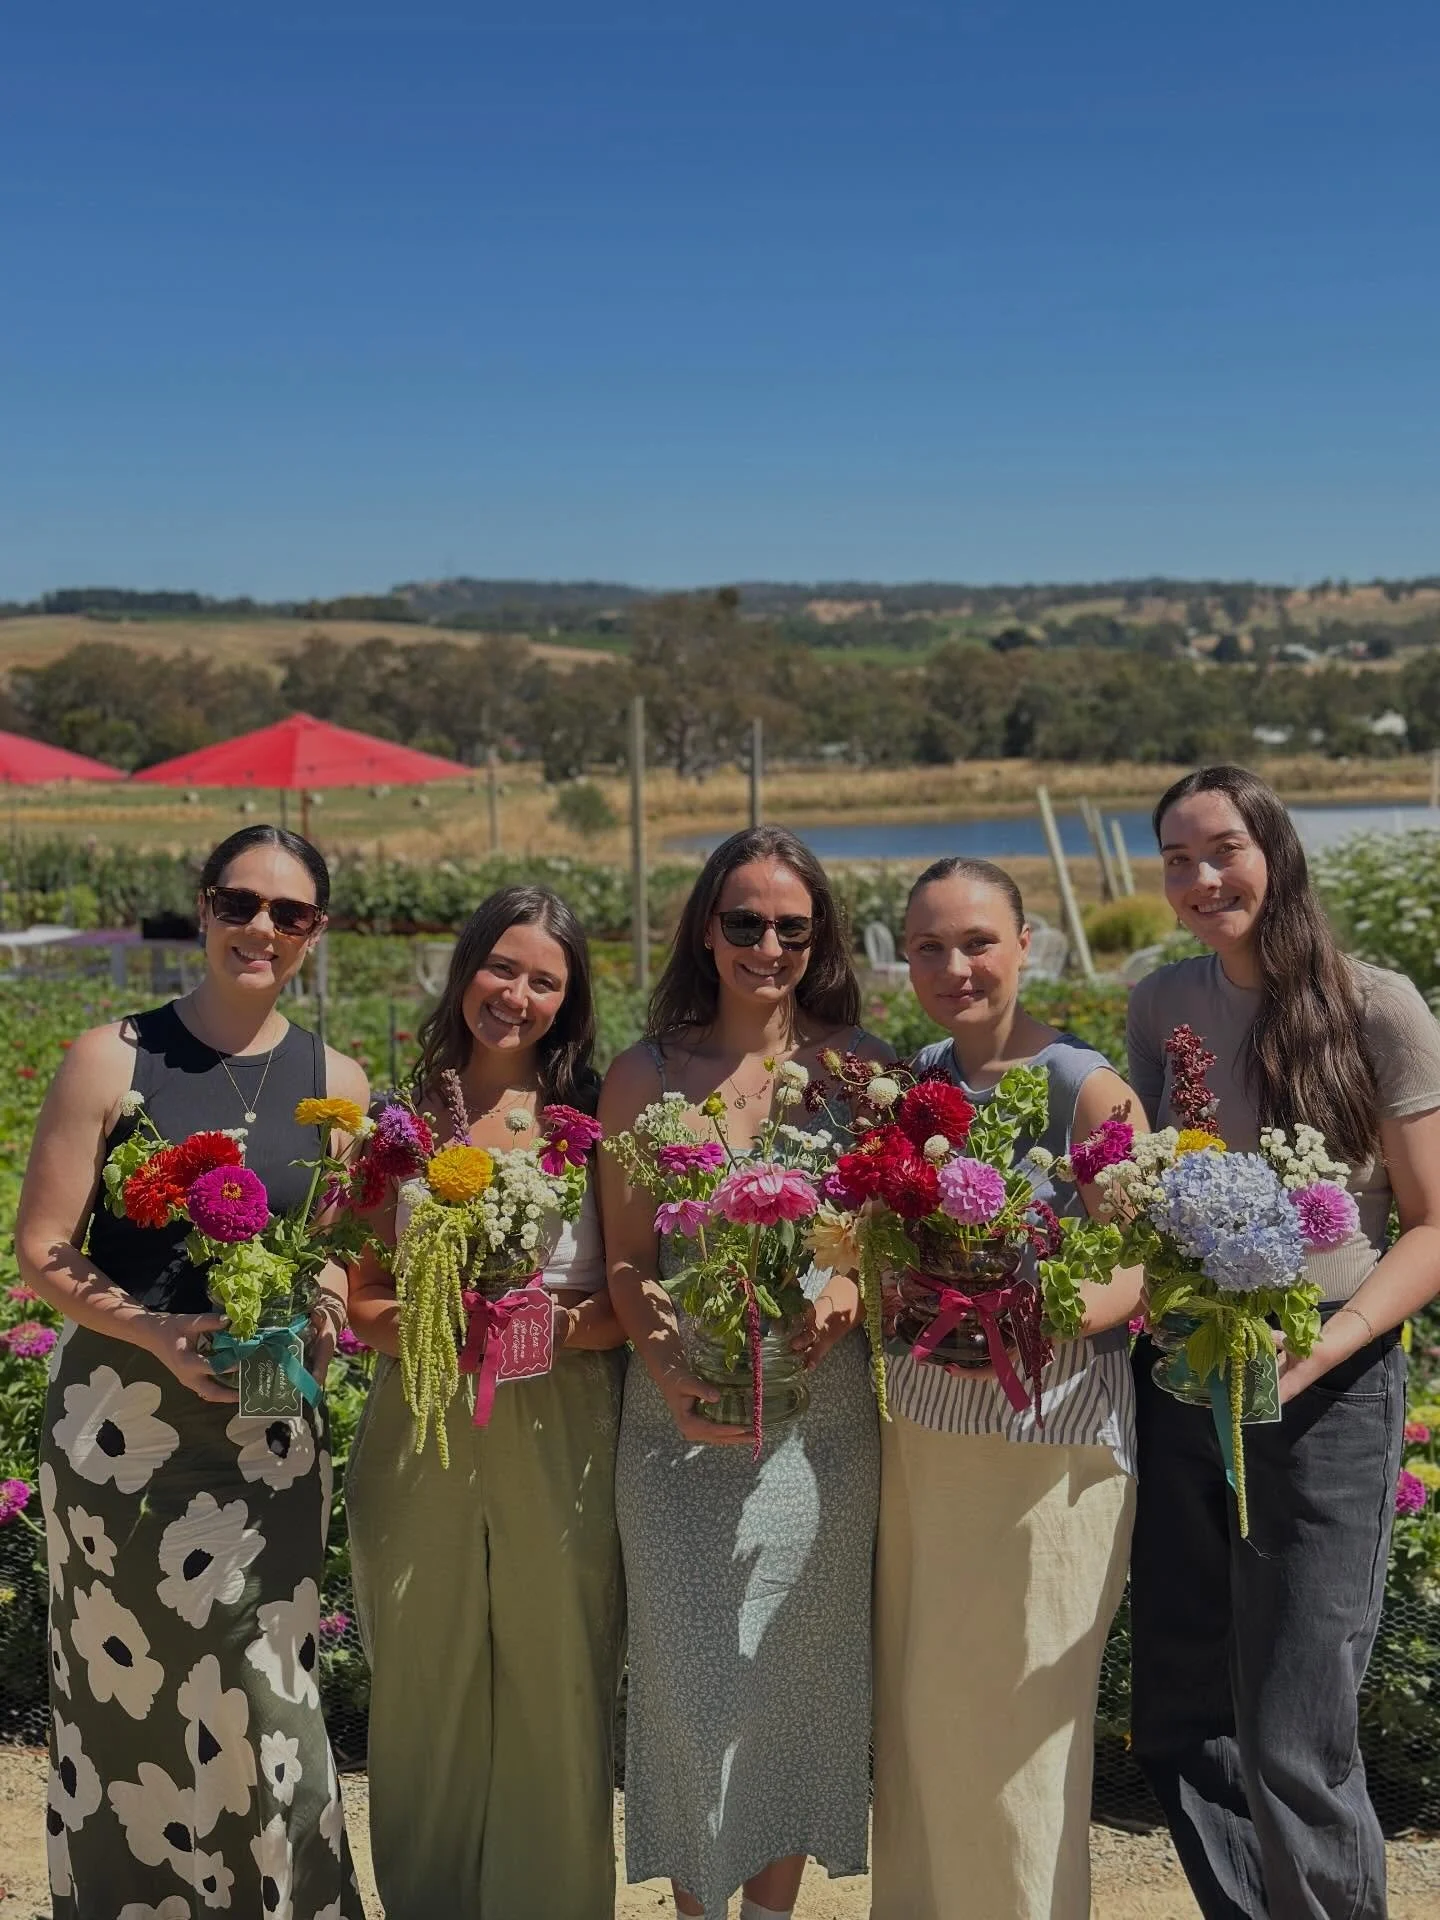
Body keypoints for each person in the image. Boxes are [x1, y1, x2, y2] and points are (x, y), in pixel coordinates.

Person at [16, 824, 368, 1917]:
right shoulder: (111, 1057)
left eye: (290, 912)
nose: (261, 927)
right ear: (204, 906)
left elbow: (343, 1248)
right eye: (240, 902)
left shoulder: (338, 1079)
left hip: (266, 1437)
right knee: (128, 1713)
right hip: (121, 1435)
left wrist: (316, 1313)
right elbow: (40, 1251)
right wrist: (157, 1332)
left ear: (315, 933)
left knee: (270, 1705)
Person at [1127, 764, 1440, 1920]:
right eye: (1175, 859)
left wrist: (1315, 1353)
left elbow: (1432, 1226)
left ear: (1276, 850)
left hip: (1329, 1390)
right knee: (1180, 1714)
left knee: (1300, 1734)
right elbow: (1148, 1191)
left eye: (1223, 850)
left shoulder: (1378, 1008)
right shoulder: (1160, 1005)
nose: (1201, 878)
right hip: (1184, 1385)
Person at [600, 825, 887, 1920]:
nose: (767, 946)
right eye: (745, 923)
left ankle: (767, 1913)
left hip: (821, 1428)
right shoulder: (650, 1073)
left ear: (819, 940)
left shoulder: (859, 1068)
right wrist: (670, 1372)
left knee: (794, 1684)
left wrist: (852, 1281)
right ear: (706, 931)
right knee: (686, 1692)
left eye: (792, 927)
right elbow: (628, 1260)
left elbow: (880, 1231)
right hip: (679, 1428)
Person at [869, 855, 1145, 1920]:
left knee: (1026, 1733)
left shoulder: (1086, 1087)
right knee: (930, 1720)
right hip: (931, 1444)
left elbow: (1138, 1266)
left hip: (1052, 1453)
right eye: (930, 946)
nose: (955, 966)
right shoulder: (913, 1079)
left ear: (1028, 946)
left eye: (978, 941)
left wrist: (1040, 1313)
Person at [346, 884, 627, 1920]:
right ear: (466, 969)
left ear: (570, 997)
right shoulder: (400, 1120)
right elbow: (363, 1295)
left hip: (566, 1420)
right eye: (501, 968)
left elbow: (626, 1299)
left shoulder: (596, 1122)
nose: (516, 994)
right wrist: (438, 1326)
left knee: (561, 1676)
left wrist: (555, 1328)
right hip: (419, 1418)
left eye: (543, 979)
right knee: (422, 1675)